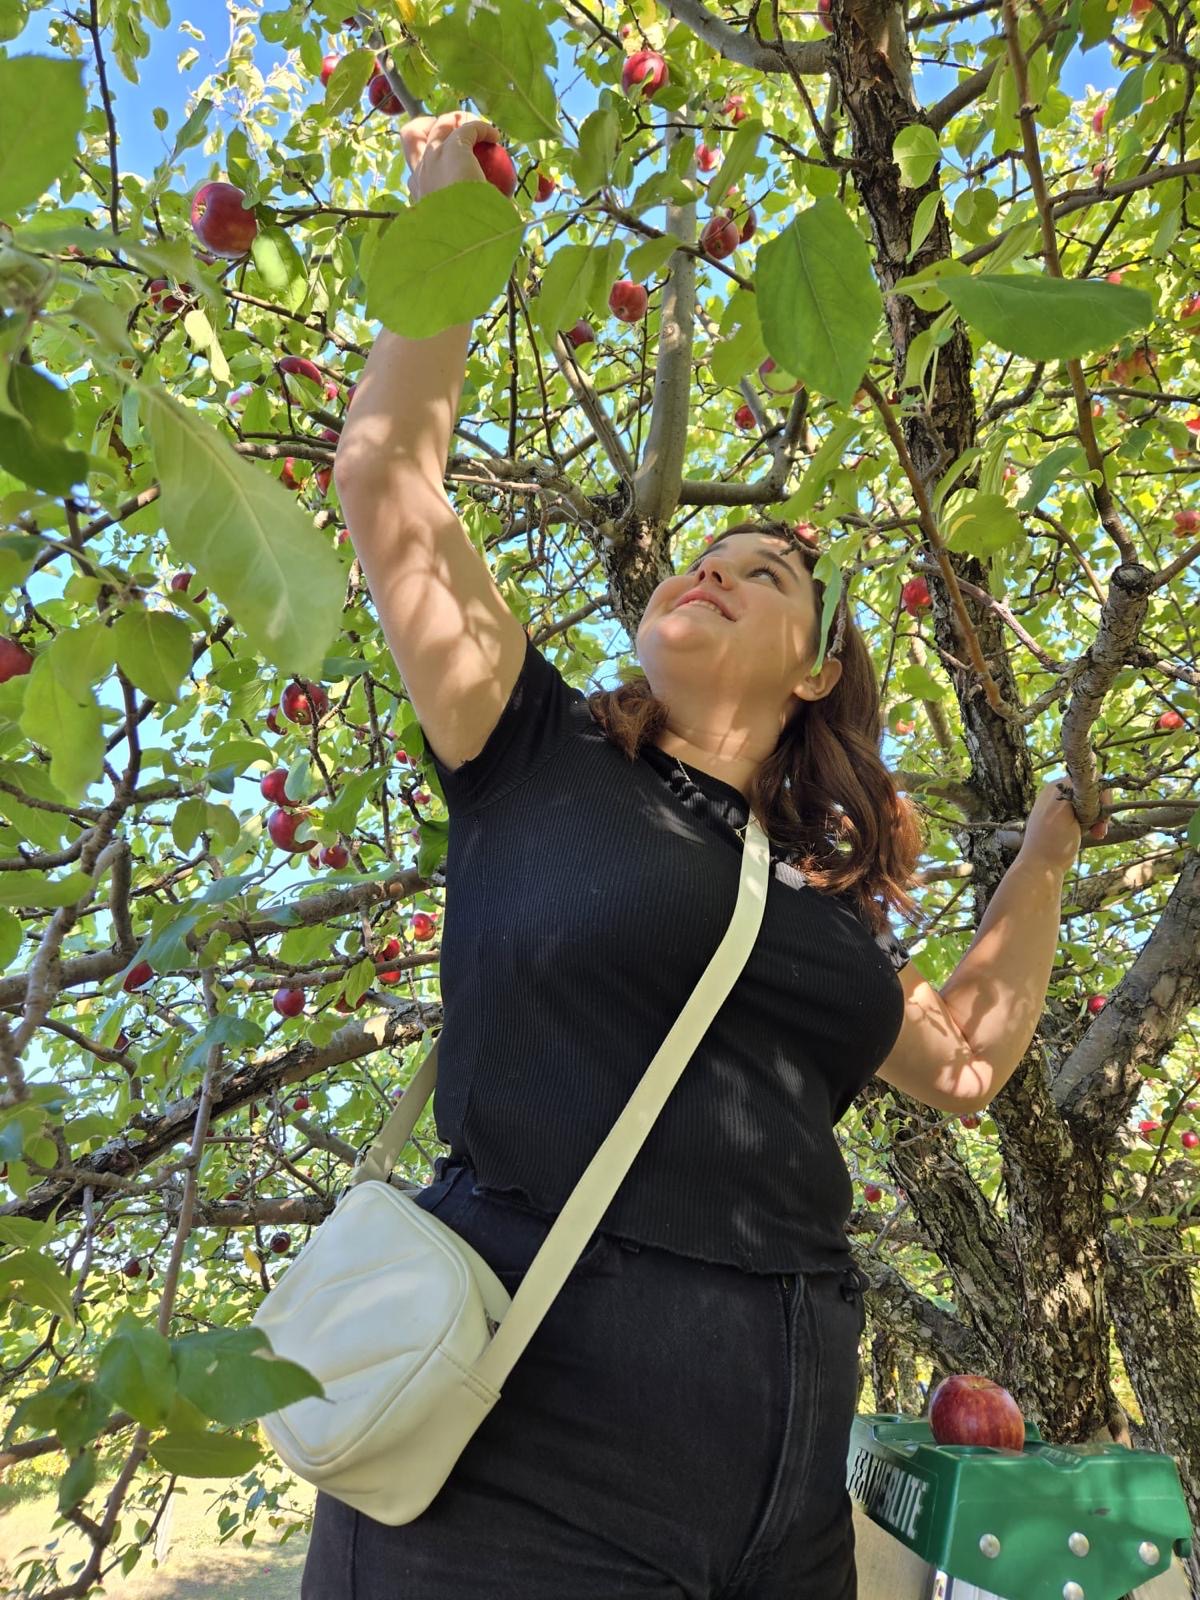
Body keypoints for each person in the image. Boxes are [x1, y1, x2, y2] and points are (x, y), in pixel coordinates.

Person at [302, 112, 1107, 1600]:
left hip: (785, 1487)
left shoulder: (819, 911)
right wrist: (446, 239)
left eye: (768, 572)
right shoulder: (528, 745)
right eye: (702, 557)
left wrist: (1044, 857)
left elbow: (970, 1062)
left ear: (814, 675)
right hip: (519, 1462)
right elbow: (388, 489)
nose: (714, 567)